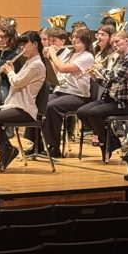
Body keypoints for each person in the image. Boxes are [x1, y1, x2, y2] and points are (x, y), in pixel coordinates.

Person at [0, 30, 47, 170]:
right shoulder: (29, 62)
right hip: (14, 105)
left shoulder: (37, 64)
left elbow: (17, 82)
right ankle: (5, 148)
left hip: (24, 109)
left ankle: (6, 148)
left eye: (25, 44)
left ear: (35, 44)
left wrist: (9, 71)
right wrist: (12, 70)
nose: (22, 47)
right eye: (20, 45)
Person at [77, 32, 128, 161]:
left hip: (125, 103)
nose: (115, 45)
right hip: (110, 99)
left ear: (127, 41)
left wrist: (100, 69)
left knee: (94, 113)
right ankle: (109, 138)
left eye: (117, 42)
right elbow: (108, 83)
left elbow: (117, 77)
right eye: (113, 43)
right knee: (82, 112)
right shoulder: (117, 59)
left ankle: (104, 141)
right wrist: (94, 76)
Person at [41, 27, 95, 158]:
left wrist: (53, 54)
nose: (75, 39)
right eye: (74, 37)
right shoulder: (68, 53)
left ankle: (54, 146)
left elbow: (64, 69)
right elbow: (56, 72)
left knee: (52, 107)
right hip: (62, 91)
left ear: (86, 40)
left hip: (78, 95)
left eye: (78, 37)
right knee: (38, 103)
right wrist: (48, 57)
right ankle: (36, 144)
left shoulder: (87, 56)